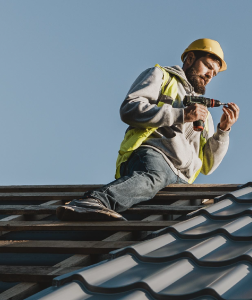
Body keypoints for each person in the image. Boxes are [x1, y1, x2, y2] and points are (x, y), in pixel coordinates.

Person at [57, 38, 239, 221]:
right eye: (207, 66)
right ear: (190, 59)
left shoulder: (204, 114)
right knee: (153, 177)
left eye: (214, 73)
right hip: (155, 158)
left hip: (182, 180)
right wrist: (181, 115)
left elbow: (208, 166)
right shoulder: (161, 76)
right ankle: (94, 201)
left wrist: (223, 131)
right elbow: (130, 109)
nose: (209, 75)